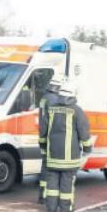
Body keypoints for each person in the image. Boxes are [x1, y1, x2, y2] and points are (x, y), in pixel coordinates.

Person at [39, 79, 92, 212]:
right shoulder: (77, 111)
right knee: (66, 184)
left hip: (52, 155)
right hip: (70, 157)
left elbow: (43, 130)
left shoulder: (51, 109)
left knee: (52, 183)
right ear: (73, 95)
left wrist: (43, 146)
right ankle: (66, 208)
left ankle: (51, 207)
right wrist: (87, 149)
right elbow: (84, 132)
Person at [37, 76, 62, 204]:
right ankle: (47, 196)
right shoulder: (54, 99)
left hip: (43, 135)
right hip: (52, 137)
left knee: (44, 165)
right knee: (51, 167)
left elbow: (42, 120)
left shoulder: (44, 98)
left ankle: (41, 194)